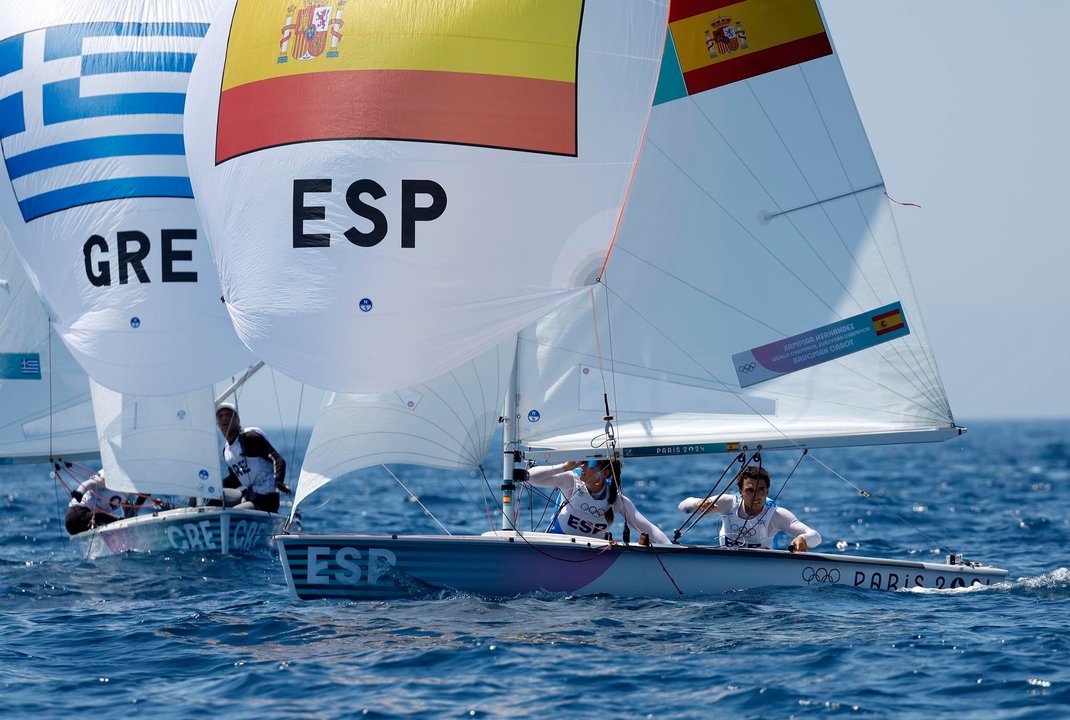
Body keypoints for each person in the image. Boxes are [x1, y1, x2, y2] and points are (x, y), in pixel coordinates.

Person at [678, 465, 821, 552]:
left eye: (761, 490)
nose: (756, 496)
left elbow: (816, 537)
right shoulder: (728, 503)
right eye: (750, 490)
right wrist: (698, 503)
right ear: (740, 492)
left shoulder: (776, 515)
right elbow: (683, 507)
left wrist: (803, 538)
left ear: (767, 491)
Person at [528, 459, 671, 545]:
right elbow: (529, 478)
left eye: (590, 463)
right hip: (559, 547)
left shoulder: (615, 499)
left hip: (592, 554)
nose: (582, 466)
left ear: (605, 473)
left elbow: (649, 529)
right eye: (583, 462)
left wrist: (670, 548)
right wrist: (564, 467)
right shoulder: (570, 481)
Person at [215, 402, 291, 513]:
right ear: (217, 423)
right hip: (249, 495)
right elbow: (236, 479)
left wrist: (279, 482)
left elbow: (278, 460)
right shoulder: (227, 451)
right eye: (220, 416)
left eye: (229, 415)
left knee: (232, 514)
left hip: (266, 500)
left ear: (238, 420)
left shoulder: (250, 438)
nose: (225, 419)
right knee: (206, 499)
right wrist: (211, 486)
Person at [64, 472, 147, 535]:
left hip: (92, 521)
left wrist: (141, 499)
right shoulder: (111, 473)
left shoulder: (128, 493)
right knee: (109, 519)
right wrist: (80, 492)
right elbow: (90, 483)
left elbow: (130, 517)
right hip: (76, 516)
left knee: (122, 523)